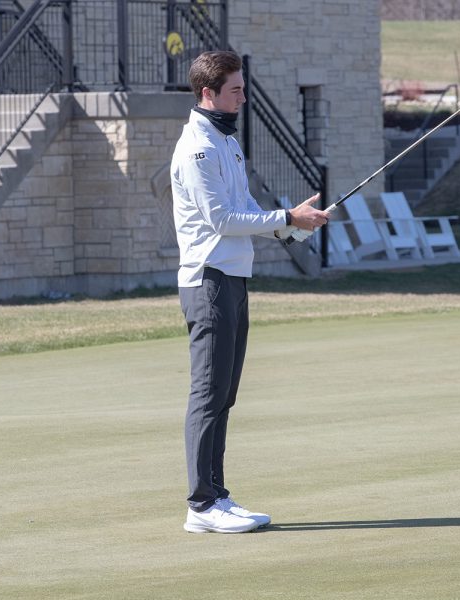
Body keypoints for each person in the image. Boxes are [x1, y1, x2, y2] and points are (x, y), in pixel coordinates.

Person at [171, 50, 330, 534]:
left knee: (226, 394)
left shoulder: (228, 142)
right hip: (209, 279)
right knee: (208, 392)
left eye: (242, 88)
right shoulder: (197, 148)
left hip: (234, 276)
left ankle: (217, 494)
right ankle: (201, 504)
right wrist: (285, 219)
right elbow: (221, 220)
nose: (243, 97)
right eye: (235, 90)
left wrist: (288, 227)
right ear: (208, 93)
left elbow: (242, 209)